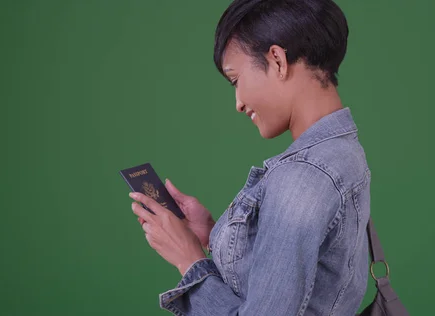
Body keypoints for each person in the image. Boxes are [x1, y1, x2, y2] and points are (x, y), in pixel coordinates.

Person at [129, 0, 371, 314]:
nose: (238, 103)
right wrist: (212, 232)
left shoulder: (303, 176)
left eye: (235, 80)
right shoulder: (341, 151)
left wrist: (188, 259)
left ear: (277, 60)